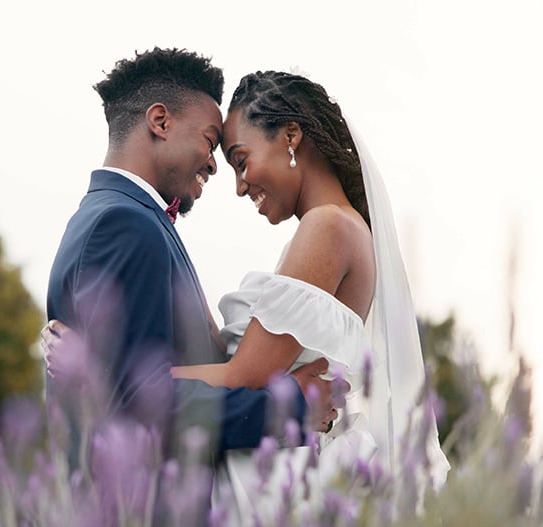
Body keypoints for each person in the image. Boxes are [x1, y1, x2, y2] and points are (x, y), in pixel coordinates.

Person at [46, 68, 450, 519]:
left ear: (291, 137)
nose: (237, 185)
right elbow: (244, 363)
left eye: (240, 159)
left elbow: (241, 375)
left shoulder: (327, 227)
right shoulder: (333, 228)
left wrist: (99, 372)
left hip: (266, 480)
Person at [44, 48, 337, 523]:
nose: (218, 166)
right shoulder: (123, 223)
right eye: (209, 139)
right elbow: (139, 403)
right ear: (159, 121)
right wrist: (286, 409)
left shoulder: (118, 218)